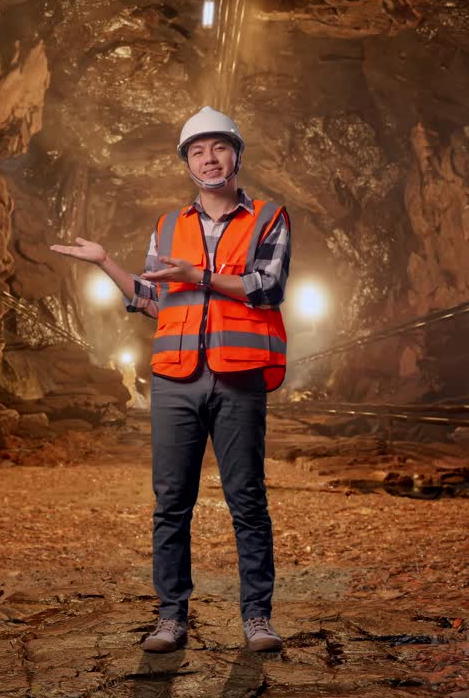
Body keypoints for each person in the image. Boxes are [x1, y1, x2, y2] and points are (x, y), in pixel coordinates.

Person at [50, 106, 291, 653]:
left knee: (247, 499)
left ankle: (257, 618)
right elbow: (155, 301)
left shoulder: (269, 218)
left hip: (239, 377)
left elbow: (267, 286)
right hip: (177, 380)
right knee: (171, 502)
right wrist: (108, 263)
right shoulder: (167, 226)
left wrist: (198, 276)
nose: (210, 159)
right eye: (197, 151)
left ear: (236, 155)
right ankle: (170, 618)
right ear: (187, 163)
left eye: (219, 148)